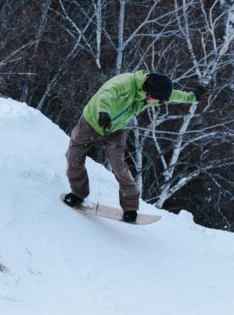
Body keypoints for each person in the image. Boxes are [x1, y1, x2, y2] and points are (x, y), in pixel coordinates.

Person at [62, 70, 204, 223]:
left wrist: (192, 97)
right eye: (154, 99)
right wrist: (103, 112)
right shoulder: (125, 83)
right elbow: (107, 93)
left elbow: (172, 96)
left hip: (115, 130)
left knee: (120, 167)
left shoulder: (152, 93)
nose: (154, 102)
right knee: (74, 157)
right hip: (92, 121)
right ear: (148, 90)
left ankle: (130, 207)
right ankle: (78, 194)